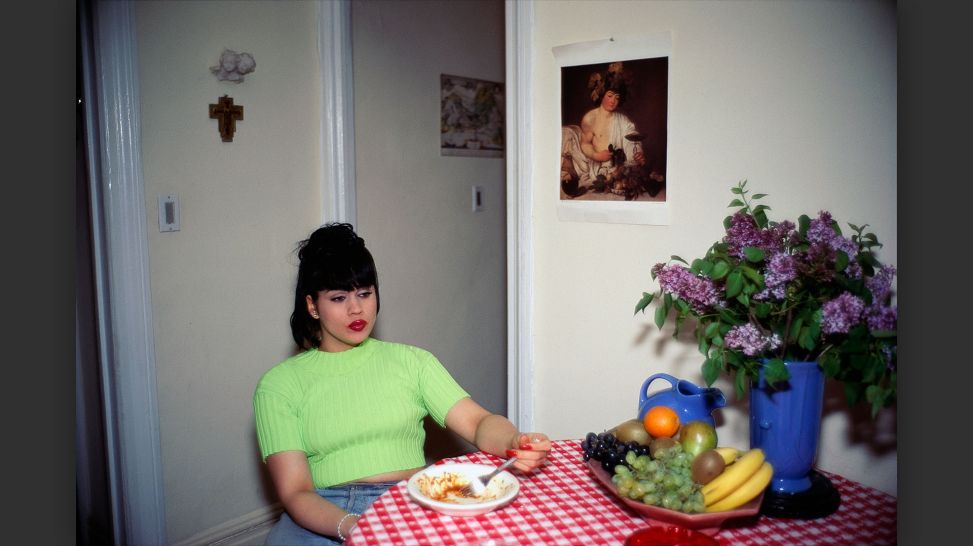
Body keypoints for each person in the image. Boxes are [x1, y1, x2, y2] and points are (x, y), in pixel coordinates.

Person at [253, 223, 552, 545]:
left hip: (409, 499)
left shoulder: (413, 362)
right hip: (323, 512)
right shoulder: (278, 385)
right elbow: (296, 492)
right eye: (339, 298)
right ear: (312, 306)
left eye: (365, 293)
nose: (357, 308)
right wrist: (357, 527)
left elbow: (479, 422)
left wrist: (514, 439)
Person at [561, 62, 646, 196]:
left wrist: (637, 153)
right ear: (601, 94)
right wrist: (596, 155)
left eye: (617, 98)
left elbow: (632, 136)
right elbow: (585, 143)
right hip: (591, 164)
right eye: (610, 95)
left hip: (614, 168)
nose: (613, 101)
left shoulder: (622, 120)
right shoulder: (590, 118)